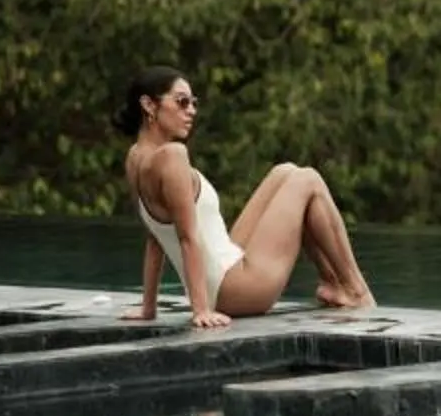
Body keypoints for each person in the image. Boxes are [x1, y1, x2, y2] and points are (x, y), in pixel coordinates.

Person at [118, 66, 376, 327]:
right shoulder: (173, 156)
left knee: (284, 172)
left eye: (193, 103)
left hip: (222, 278)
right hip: (237, 290)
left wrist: (148, 308)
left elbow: (156, 238)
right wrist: (201, 311)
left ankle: (332, 282)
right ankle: (356, 290)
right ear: (149, 106)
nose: (192, 111)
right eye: (182, 102)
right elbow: (187, 238)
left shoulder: (135, 158)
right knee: (307, 179)